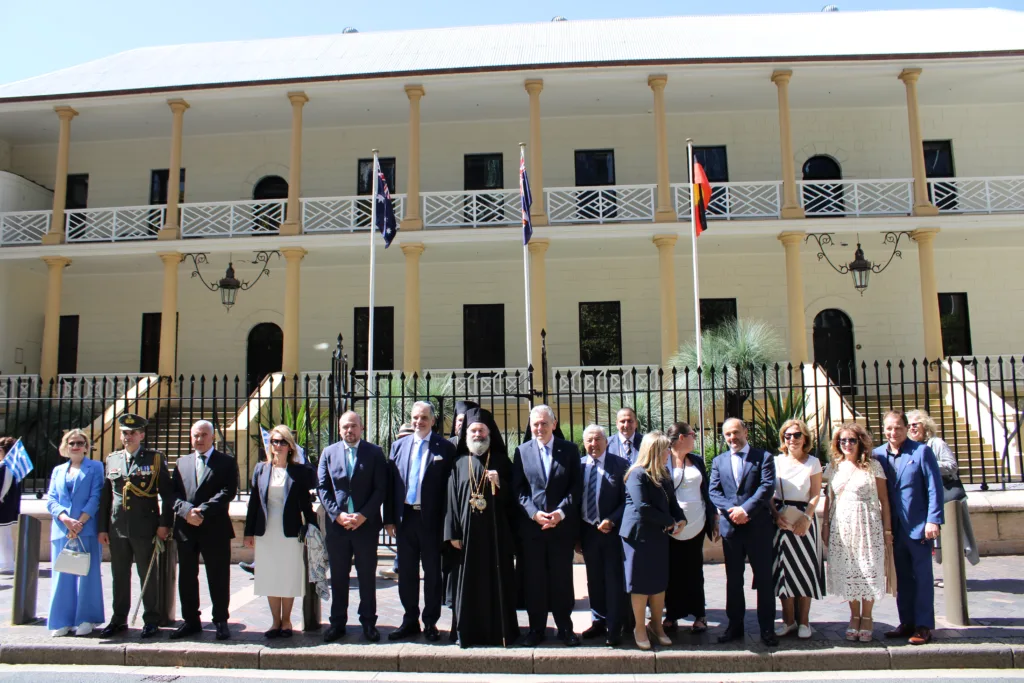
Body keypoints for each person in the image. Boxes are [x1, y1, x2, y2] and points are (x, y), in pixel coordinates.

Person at [444, 406, 519, 647]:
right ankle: (466, 632)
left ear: (490, 433)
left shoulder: (501, 462)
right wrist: (452, 533)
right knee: (467, 584)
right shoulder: (458, 463)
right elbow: (451, 502)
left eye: (482, 430)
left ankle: (500, 632)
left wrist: (500, 484)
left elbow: (515, 499)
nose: (477, 434)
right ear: (467, 434)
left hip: (495, 536)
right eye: (473, 430)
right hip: (465, 537)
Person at [97, 413, 173, 639]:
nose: (128, 436)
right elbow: (106, 498)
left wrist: (164, 525)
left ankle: (151, 619)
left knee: (147, 575)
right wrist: (103, 528)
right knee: (119, 575)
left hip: (145, 527)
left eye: (132, 433)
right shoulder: (112, 459)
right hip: (118, 527)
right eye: (124, 433)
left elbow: (167, 496)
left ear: (141, 434)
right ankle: (118, 618)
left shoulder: (155, 459)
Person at [511, 404, 581, 647]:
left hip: (561, 529)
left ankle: (565, 628)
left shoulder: (570, 450)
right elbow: (518, 490)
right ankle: (536, 629)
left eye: (543, 423)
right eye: (534, 424)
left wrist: (561, 513)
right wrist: (534, 514)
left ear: (554, 423)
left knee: (562, 580)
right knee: (534, 581)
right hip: (533, 530)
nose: (539, 428)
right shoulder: (522, 451)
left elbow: (576, 487)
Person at [385, 402, 456, 642]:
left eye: (424, 417)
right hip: (405, 518)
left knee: (433, 574)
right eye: (415, 417)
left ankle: (430, 622)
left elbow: (451, 489)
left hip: (432, 521)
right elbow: (391, 484)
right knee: (406, 573)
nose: (419, 422)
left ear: (433, 420)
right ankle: (409, 619)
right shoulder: (398, 446)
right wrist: (389, 519)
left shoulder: (444, 448)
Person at [873, 410, 943, 645]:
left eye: (898, 428)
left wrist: (933, 519)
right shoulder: (877, 455)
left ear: (906, 428)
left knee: (922, 576)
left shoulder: (921, 452)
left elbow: (934, 488)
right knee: (902, 577)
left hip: (919, 526)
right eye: (889, 428)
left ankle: (923, 626)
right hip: (893, 528)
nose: (893, 432)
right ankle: (907, 622)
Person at [317, 411, 386, 643]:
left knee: (366, 576)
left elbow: (380, 488)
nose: (350, 430)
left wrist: (363, 515)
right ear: (339, 430)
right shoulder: (329, 453)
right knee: (338, 577)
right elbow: (323, 488)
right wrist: (338, 515)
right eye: (345, 427)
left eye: (354, 426)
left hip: (365, 526)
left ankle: (368, 622)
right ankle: (337, 623)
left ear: (362, 427)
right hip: (338, 528)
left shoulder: (374, 453)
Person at [708, 418, 778, 646]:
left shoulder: (764, 457)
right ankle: (735, 626)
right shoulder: (719, 461)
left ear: (745, 432)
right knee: (733, 580)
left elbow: (767, 487)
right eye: (727, 434)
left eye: (735, 433)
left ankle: (767, 628)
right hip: (732, 529)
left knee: (764, 580)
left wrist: (746, 510)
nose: (732, 438)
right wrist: (732, 512)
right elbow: (714, 491)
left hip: (758, 526)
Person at [243, 424, 316, 639]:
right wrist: (248, 533)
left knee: (287, 576)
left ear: (290, 447)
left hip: (290, 532)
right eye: (274, 441)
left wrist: (313, 529)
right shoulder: (261, 469)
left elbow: (305, 504)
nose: (278, 445)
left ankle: (287, 621)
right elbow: (254, 503)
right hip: (266, 532)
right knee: (270, 576)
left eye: (282, 442)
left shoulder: (299, 471)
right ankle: (275, 621)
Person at [822, 422, 891, 643]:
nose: (847, 444)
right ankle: (854, 616)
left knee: (867, 569)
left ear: (860, 442)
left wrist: (887, 529)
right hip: (842, 526)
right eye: (843, 440)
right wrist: (825, 526)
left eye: (852, 440)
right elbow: (829, 499)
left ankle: (867, 617)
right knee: (849, 571)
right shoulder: (834, 466)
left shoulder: (873, 467)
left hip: (867, 525)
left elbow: (884, 500)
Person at [170, 420, 239, 641]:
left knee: (218, 576)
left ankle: (220, 620)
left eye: (203, 435)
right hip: (186, 529)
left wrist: (202, 511)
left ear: (212, 438)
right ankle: (191, 620)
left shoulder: (226, 462)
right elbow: (173, 495)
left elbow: (228, 491)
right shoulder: (181, 463)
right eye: (195, 436)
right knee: (187, 577)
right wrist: (187, 511)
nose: (198, 440)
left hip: (215, 528)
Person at [620, 431, 686, 650]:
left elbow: (672, 501)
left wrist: (680, 518)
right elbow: (643, 507)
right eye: (666, 448)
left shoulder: (664, 472)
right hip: (638, 536)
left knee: (658, 582)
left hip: (658, 533)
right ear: (655, 450)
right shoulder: (637, 474)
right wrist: (669, 521)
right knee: (640, 583)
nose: (670, 452)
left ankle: (656, 626)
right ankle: (639, 627)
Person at [46, 429, 104, 637]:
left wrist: (80, 522)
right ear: (65, 446)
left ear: (87, 446)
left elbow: (97, 496)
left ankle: (87, 618)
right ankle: (62, 621)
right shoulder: (58, 470)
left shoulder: (95, 467)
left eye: (80, 443)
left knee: (88, 575)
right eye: (72, 443)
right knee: (63, 575)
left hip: (85, 528)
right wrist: (65, 519)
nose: (76, 446)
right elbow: (51, 499)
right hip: (63, 530)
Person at [770, 419, 824, 640]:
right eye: (788, 436)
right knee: (783, 571)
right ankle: (788, 620)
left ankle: (804, 621)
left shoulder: (813, 462)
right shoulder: (775, 462)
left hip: (804, 518)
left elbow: (816, 493)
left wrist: (806, 518)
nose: (792, 439)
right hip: (782, 517)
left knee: (804, 569)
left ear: (805, 438)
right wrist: (776, 515)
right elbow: (768, 493)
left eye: (797, 435)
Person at [907, 410, 979, 568]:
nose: (911, 428)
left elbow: (952, 466)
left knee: (951, 537)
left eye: (915, 424)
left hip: (945, 497)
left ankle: (953, 575)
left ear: (925, 425)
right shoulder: (911, 447)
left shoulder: (937, 443)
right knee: (932, 540)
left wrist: (928, 464)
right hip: (925, 499)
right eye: (909, 425)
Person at [577, 424, 628, 647]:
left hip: (611, 532)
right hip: (588, 532)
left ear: (606, 441)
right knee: (594, 580)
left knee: (613, 580)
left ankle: (615, 627)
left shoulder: (620, 465)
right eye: (589, 440)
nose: (593, 444)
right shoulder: (578, 466)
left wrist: (613, 519)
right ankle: (598, 621)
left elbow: (628, 499)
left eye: (597, 439)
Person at [664, 422, 716, 635]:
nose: (696, 437)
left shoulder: (697, 461)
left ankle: (699, 614)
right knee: (673, 570)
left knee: (694, 569)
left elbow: (705, 491)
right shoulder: (663, 460)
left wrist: (713, 515)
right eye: (693, 434)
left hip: (697, 522)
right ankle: (672, 614)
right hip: (672, 525)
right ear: (681, 438)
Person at [380, 422, 414, 582]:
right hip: (402, 512)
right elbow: (389, 489)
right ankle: (399, 568)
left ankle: (399, 567)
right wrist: (389, 519)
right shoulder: (396, 453)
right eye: (401, 437)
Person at [0, 436, 22, 575]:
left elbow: (2, 487)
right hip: (8, 506)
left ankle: (7, 564)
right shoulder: (12, 465)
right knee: (4, 535)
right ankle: (6, 563)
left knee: (3, 536)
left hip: (3, 507)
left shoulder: (4, 466)